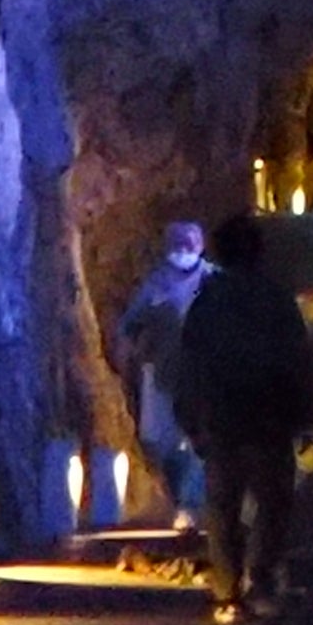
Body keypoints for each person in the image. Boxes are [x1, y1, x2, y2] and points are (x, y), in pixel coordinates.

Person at [168, 212, 313, 616]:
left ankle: (227, 589)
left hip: (224, 420)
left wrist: (191, 419)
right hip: (270, 417)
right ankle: (261, 579)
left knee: (223, 506)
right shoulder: (276, 300)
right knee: (272, 503)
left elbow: (191, 364)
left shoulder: (208, 302)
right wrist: (304, 414)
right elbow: (297, 359)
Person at [113, 217, 211, 525]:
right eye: (177, 246)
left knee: (200, 443)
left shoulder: (214, 282)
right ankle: (171, 499)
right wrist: (125, 355)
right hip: (160, 376)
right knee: (161, 443)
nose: (183, 251)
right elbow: (130, 324)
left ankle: (190, 505)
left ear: (200, 246)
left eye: (189, 245)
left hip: (203, 378)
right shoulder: (155, 284)